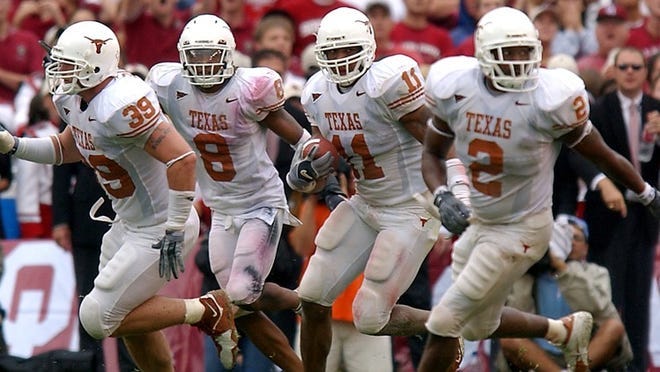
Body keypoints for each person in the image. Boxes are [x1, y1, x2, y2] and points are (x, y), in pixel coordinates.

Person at [419, 6, 660, 372]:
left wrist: (646, 192)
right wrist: (442, 194)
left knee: (443, 321)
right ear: (483, 53)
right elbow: (432, 153)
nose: (518, 62)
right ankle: (562, 330)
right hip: (481, 221)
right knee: (477, 324)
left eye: (524, 52)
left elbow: (603, 155)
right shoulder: (457, 87)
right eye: (507, 52)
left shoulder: (550, 97)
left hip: (522, 228)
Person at [0, 20, 238, 372]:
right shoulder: (76, 99)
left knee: (96, 318)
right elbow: (68, 147)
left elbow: (181, 159)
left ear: (95, 67)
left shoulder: (120, 103)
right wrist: (15, 146)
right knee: (126, 317)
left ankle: (206, 309)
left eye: (68, 64)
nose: (58, 71)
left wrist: (173, 226)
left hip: (159, 225)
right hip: (127, 223)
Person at [146, 14, 307, 371]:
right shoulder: (170, 85)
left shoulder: (250, 88)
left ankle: (304, 302)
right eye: (195, 55)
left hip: (260, 205)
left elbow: (297, 135)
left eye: (210, 54)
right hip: (221, 209)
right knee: (241, 308)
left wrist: (310, 156)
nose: (203, 64)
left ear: (229, 54)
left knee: (237, 294)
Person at [285, 7, 439, 372]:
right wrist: (304, 173)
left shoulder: (388, 81)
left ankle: (445, 325)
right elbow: (324, 158)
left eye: (347, 50)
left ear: (368, 45)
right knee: (311, 295)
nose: (339, 60)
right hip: (366, 202)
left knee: (369, 318)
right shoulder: (317, 93)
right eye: (332, 52)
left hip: (409, 206)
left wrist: (455, 192)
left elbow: (438, 145)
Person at [569, 46, 660, 372]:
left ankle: (635, 365)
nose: (631, 72)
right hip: (608, 214)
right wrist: (603, 184)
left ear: (645, 73)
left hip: (646, 216)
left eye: (637, 66)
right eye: (624, 66)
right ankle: (607, 363)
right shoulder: (600, 109)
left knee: (639, 298)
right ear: (615, 71)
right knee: (607, 297)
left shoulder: (656, 110)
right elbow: (581, 152)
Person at [501, 216, 633, 371]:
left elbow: (596, 310)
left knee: (614, 327)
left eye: (576, 238)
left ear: (586, 248)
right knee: (509, 339)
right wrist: (526, 268)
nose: (569, 243)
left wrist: (564, 269)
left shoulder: (596, 273)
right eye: (560, 238)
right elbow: (518, 318)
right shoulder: (531, 275)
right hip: (541, 355)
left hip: (584, 354)